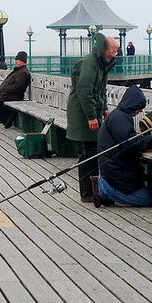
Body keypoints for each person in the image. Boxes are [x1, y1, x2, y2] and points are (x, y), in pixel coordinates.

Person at [65, 33, 119, 202]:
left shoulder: (102, 64)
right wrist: (90, 116)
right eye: (111, 51)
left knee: (93, 152)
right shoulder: (90, 63)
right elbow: (84, 90)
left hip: (93, 114)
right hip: (81, 115)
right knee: (87, 154)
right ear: (103, 49)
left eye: (116, 52)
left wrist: (103, 108)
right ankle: (87, 193)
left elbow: (100, 90)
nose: (113, 55)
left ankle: (94, 190)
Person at [95, 85, 152, 207]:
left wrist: (147, 139)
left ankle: (107, 188)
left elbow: (128, 137)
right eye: (139, 108)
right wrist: (151, 139)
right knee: (145, 200)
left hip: (112, 168)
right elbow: (130, 143)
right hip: (117, 171)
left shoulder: (117, 115)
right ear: (133, 105)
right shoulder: (121, 118)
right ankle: (105, 191)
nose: (140, 111)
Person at [0, 51, 31, 128]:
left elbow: (18, 87)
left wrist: (5, 89)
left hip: (14, 96)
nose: (15, 61)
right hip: (8, 94)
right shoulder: (18, 70)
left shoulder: (23, 72)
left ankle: (6, 119)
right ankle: (7, 117)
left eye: (17, 60)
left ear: (22, 61)